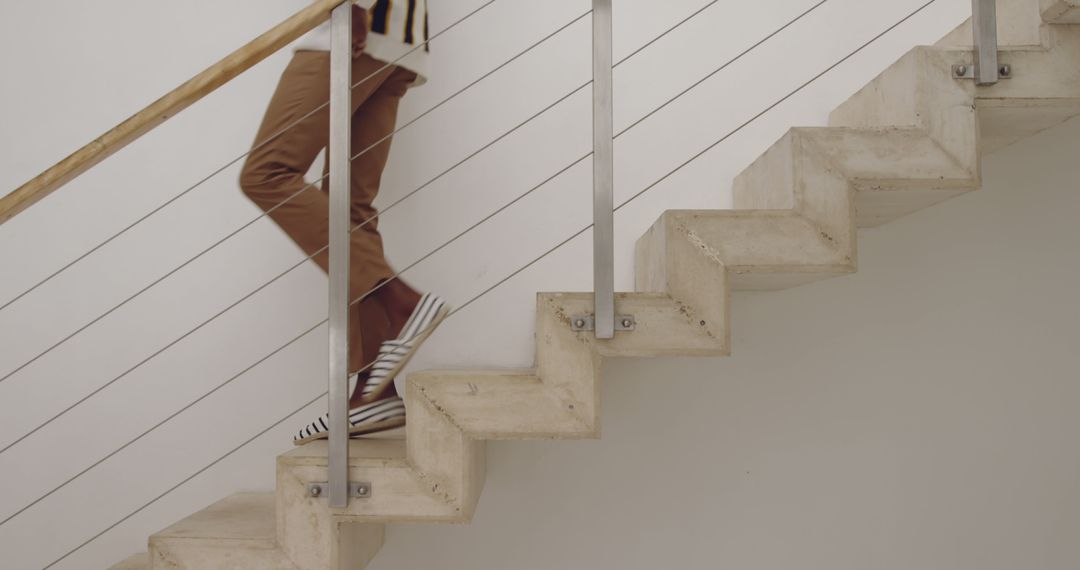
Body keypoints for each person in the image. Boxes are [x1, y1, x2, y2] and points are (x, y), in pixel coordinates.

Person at [239, 0, 445, 444]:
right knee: (347, 208)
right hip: (399, 37)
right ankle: (375, 392)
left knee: (267, 174)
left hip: (356, 24)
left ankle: (401, 301)